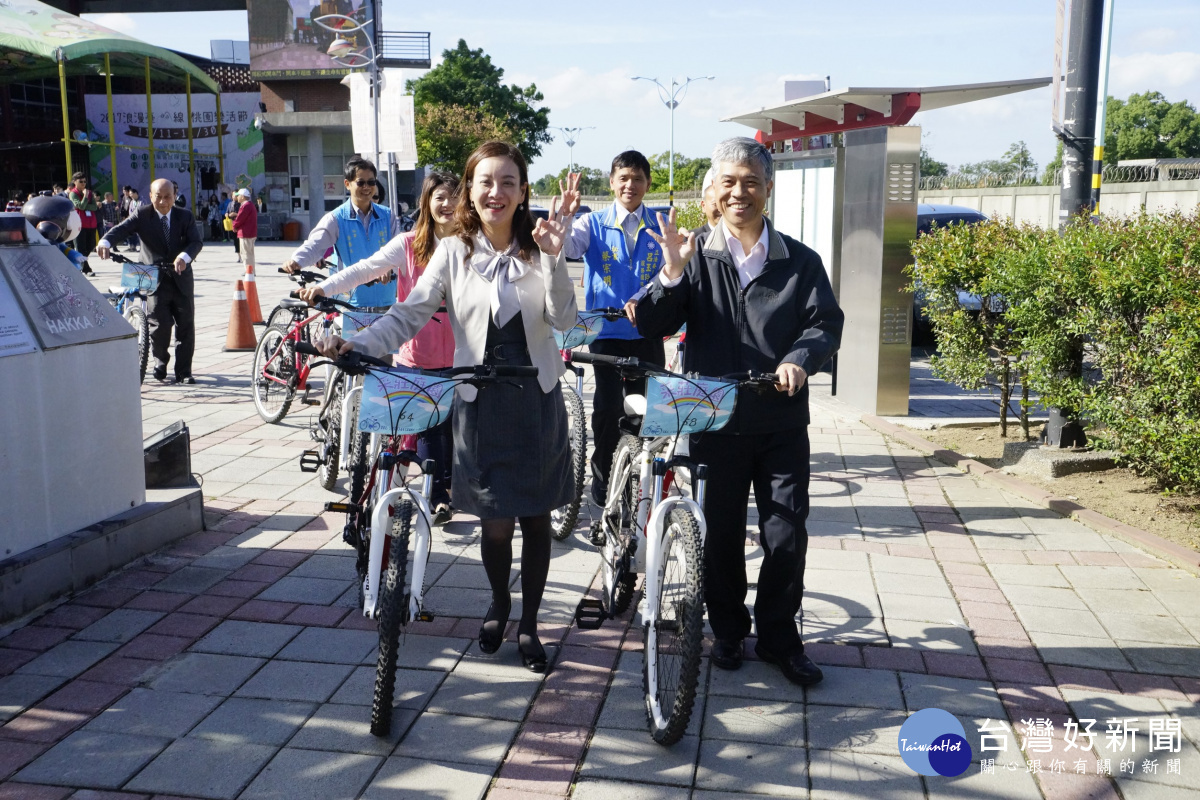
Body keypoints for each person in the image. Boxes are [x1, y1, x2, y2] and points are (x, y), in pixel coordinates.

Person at [317, 141, 577, 672]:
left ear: (524, 190)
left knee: (534, 519)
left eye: (508, 182)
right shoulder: (454, 250)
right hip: (478, 399)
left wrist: (554, 259)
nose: (496, 192)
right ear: (470, 190)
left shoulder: (541, 244)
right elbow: (408, 314)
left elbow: (564, 320)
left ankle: (529, 624)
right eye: (485, 181)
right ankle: (500, 603)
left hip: (536, 398)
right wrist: (360, 343)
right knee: (495, 522)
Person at [635, 137, 844, 687]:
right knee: (720, 534)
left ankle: (779, 637)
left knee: (786, 534)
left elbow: (825, 324)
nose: (739, 192)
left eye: (750, 182)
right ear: (714, 190)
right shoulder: (694, 253)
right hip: (713, 419)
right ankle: (727, 630)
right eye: (728, 182)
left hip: (778, 423)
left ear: (768, 190)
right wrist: (672, 273)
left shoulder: (800, 261)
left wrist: (800, 359)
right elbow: (652, 324)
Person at [300, 171, 459, 524]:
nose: (447, 204)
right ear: (427, 203)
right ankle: (433, 496)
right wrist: (325, 287)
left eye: (453, 197)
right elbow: (365, 269)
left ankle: (441, 490)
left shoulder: (470, 247)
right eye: (439, 197)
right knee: (427, 429)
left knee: (449, 430)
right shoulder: (408, 244)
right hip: (416, 357)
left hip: (460, 359)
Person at [559, 151, 664, 506]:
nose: (629, 185)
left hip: (648, 333)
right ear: (611, 183)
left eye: (637, 178)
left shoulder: (660, 224)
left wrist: (643, 296)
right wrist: (566, 216)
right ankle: (602, 480)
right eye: (623, 178)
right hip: (605, 333)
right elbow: (567, 247)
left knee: (647, 413)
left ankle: (636, 477)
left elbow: (670, 273)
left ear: (648, 183)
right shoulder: (592, 223)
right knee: (606, 409)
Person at [97, 178, 204, 384]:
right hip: (153, 276)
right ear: (150, 196)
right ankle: (160, 361)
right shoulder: (142, 214)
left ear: (174, 196)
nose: (163, 202)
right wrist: (106, 241)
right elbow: (122, 228)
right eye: (159, 197)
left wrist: (184, 257)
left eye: (168, 197)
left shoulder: (185, 216)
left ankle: (183, 372)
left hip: (181, 277)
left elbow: (195, 242)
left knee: (185, 325)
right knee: (159, 323)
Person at [282, 157, 400, 308]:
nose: (367, 187)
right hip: (351, 304)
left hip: (386, 300)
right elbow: (315, 245)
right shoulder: (336, 218)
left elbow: (398, 250)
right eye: (360, 182)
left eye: (371, 182)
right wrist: (297, 260)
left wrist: (389, 268)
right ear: (347, 184)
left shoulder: (387, 215)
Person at [65, 173, 99, 277]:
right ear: (75, 182)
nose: (83, 184)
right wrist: (85, 196)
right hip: (79, 224)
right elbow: (79, 206)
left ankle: (78, 262)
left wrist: (86, 202)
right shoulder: (73, 193)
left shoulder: (89, 192)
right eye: (81, 182)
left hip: (91, 223)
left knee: (91, 245)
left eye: (84, 181)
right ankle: (86, 268)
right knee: (80, 247)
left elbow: (95, 207)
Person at [231, 188, 258, 269]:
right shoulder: (250, 205)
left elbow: (240, 218)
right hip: (250, 232)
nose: (237, 197)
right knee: (250, 253)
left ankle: (249, 272)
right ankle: (251, 271)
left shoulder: (245, 206)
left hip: (245, 233)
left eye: (238, 195)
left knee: (246, 254)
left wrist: (234, 226)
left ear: (242, 196)